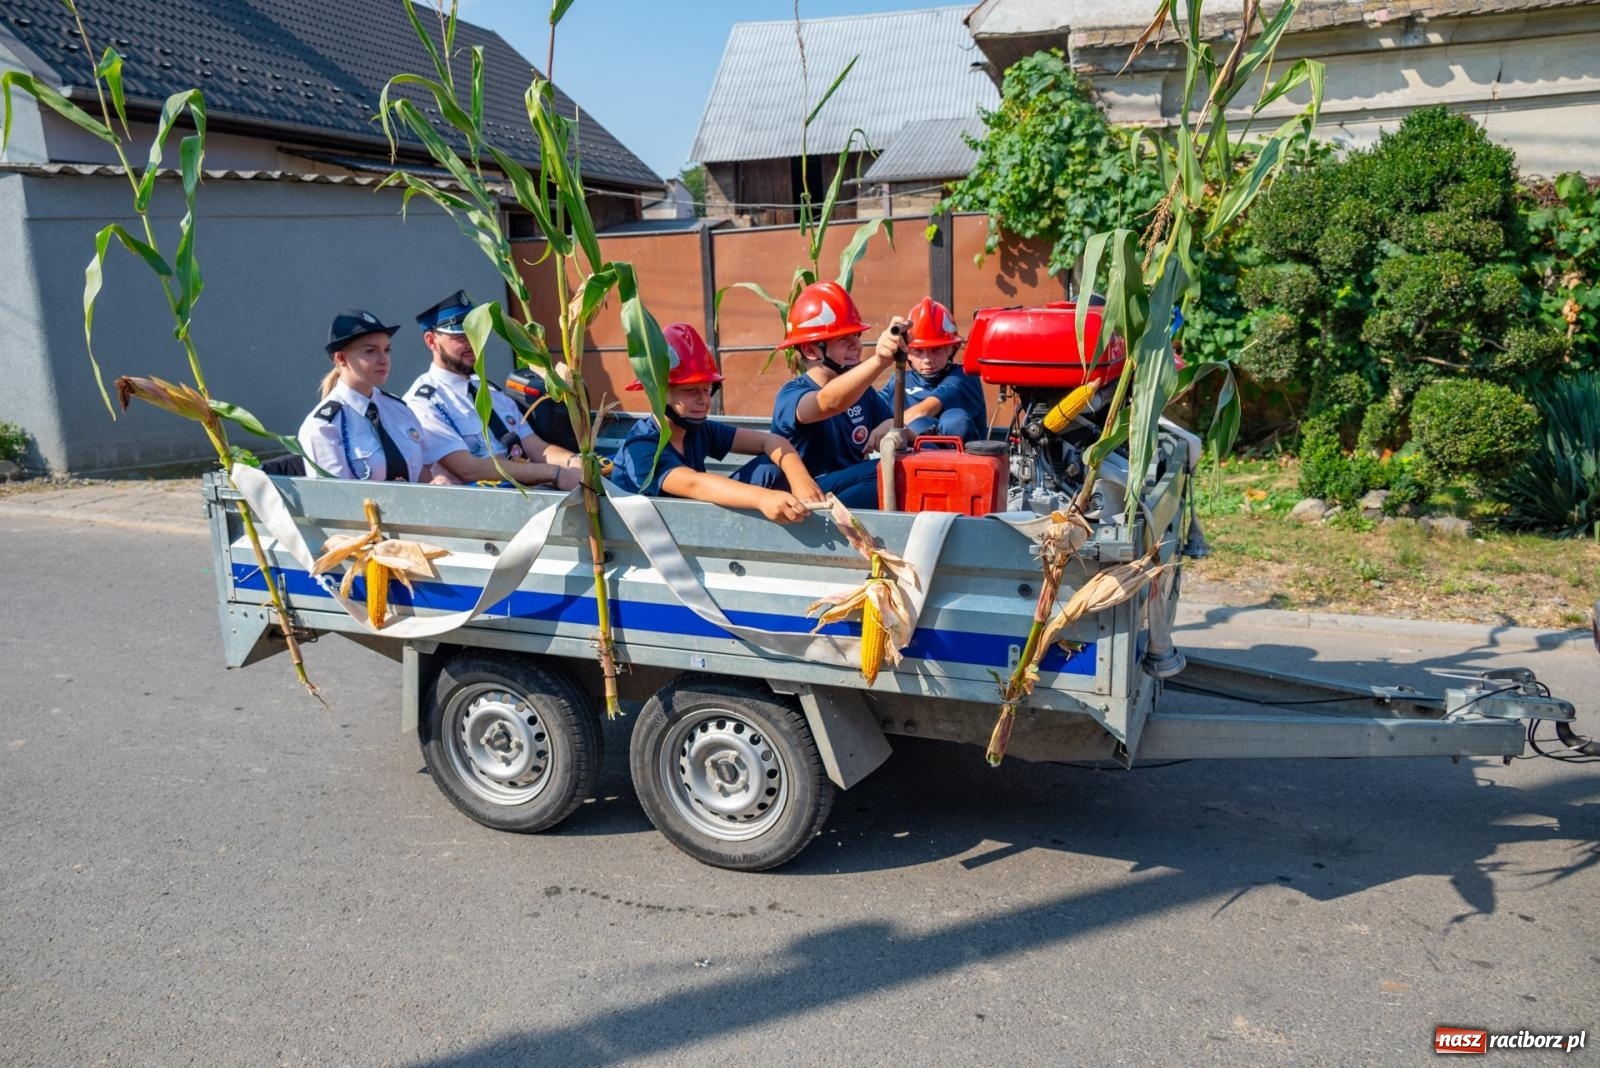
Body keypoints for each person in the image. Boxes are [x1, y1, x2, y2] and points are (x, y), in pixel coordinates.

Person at [402, 289, 581, 490]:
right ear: (431, 341)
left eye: (475, 334)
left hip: (527, 490)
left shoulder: (488, 389)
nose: (472, 344)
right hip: (484, 506)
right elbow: (469, 469)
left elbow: (535, 446)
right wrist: (554, 473)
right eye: (461, 337)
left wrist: (575, 463)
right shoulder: (423, 402)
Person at [765, 281, 902, 509]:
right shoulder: (791, 395)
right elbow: (828, 402)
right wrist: (880, 361)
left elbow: (891, 421)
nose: (856, 346)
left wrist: (887, 427)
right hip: (807, 500)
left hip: (847, 486)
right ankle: (842, 531)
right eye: (843, 340)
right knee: (881, 472)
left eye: (856, 336)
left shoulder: (863, 393)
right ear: (810, 350)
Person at [298, 308, 450, 483]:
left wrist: (438, 482)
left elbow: (424, 471)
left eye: (387, 350)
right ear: (341, 358)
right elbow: (335, 500)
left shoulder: (398, 408)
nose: (383, 359)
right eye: (370, 351)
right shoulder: (324, 427)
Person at [879, 297, 985, 443]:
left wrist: (888, 428)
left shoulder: (964, 376)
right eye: (919, 351)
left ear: (952, 348)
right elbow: (873, 410)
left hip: (966, 461)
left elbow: (925, 410)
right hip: (912, 462)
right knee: (920, 424)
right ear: (907, 351)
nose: (927, 359)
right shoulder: (899, 381)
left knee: (953, 421)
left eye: (936, 350)